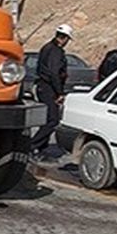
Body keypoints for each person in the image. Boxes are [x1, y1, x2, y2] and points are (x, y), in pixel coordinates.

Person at [31, 24, 72, 155]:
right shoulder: (55, 51)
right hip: (48, 88)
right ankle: (32, 146)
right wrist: (59, 92)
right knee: (53, 120)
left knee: (47, 119)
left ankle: (42, 147)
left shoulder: (47, 47)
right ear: (64, 38)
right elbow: (54, 73)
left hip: (44, 86)